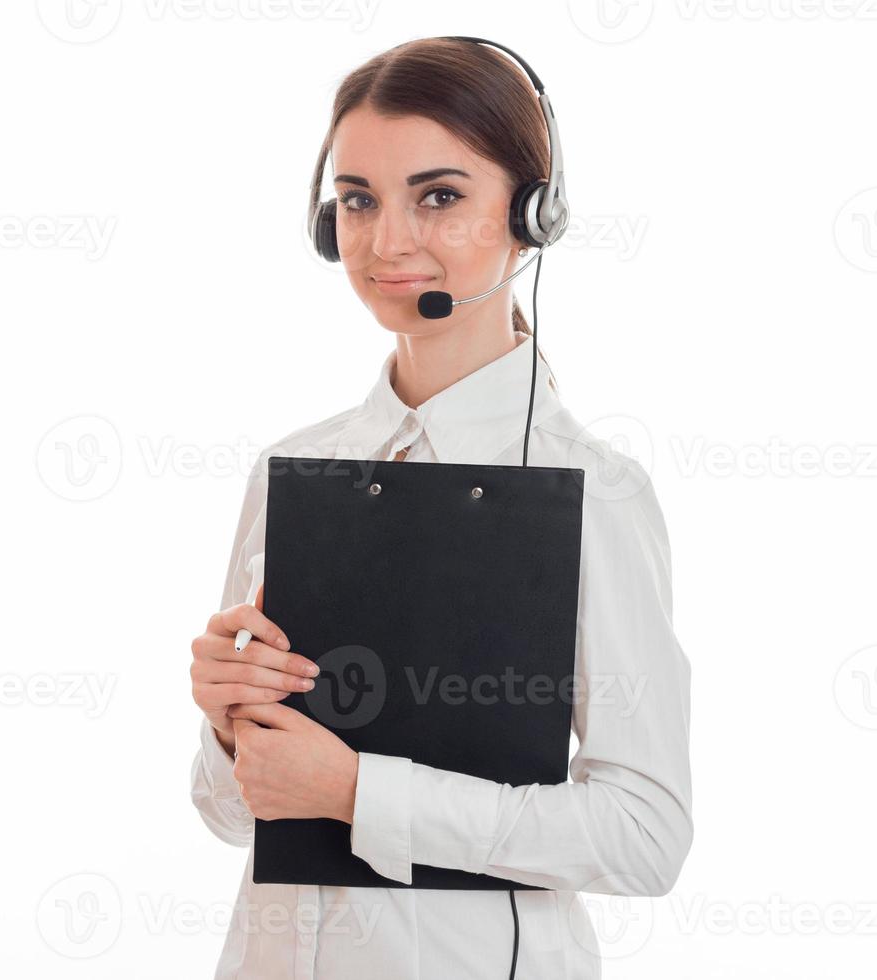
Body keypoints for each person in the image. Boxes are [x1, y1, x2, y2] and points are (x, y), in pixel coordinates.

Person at [189, 36, 693, 979]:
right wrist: (227, 723)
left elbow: (646, 834)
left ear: (535, 213)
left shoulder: (596, 492)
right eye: (357, 200)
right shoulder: (292, 466)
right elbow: (225, 814)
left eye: (440, 196)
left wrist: (356, 792)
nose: (387, 243)